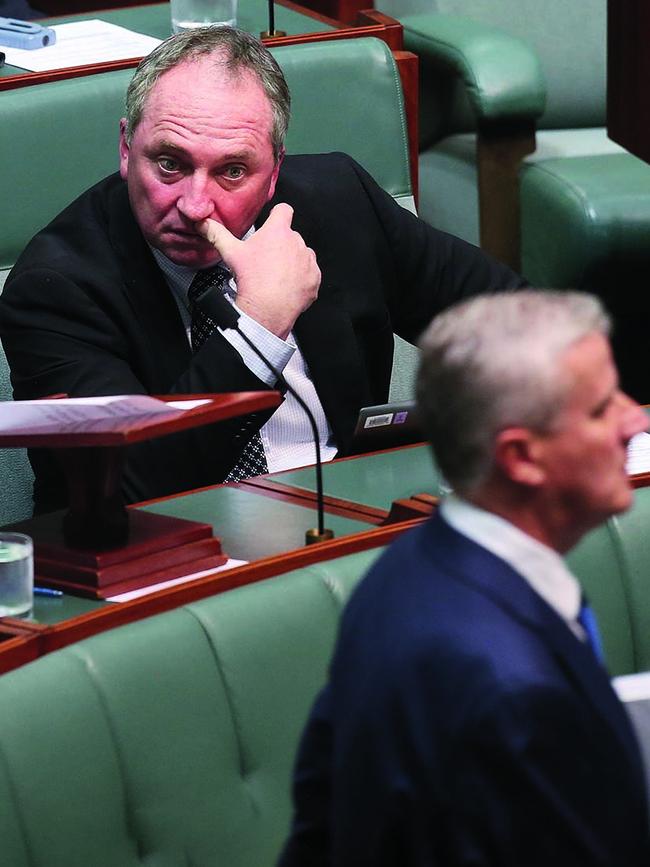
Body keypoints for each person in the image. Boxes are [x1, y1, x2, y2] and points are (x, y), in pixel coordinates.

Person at [0, 26, 525, 514]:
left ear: (274, 172)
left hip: (350, 515)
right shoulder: (55, 288)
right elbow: (134, 490)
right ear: (125, 148)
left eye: (232, 170)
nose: (195, 204)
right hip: (178, 560)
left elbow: (517, 322)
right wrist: (257, 325)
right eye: (169, 164)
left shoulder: (338, 201)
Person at [279, 290, 650, 867]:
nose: (635, 418)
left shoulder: (407, 570)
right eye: (602, 408)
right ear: (522, 457)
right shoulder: (514, 692)